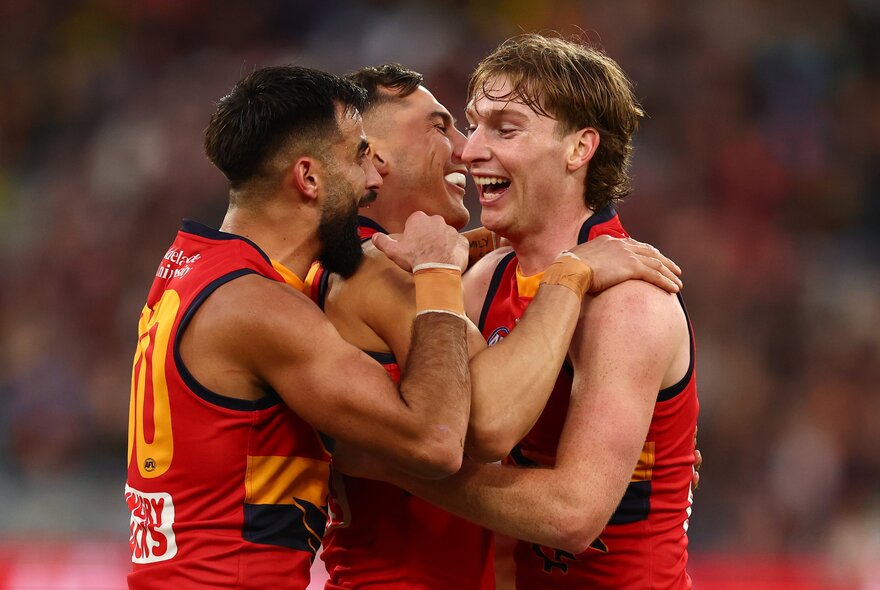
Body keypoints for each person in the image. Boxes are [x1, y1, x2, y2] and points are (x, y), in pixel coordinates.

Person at [311, 62, 691, 588]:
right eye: (470, 125)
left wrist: (393, 462)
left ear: (579, 149)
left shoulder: (628, 302)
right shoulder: (482, 277)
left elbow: (570, 516)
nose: (468, 150)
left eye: (505, 129)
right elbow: (477, 430)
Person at [125, 65, 478, 590]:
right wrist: (438, 276)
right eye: (360, 155)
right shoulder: (259, 308)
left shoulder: (195, 267)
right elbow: (437, 440)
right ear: (309, 178)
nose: (375, 179)